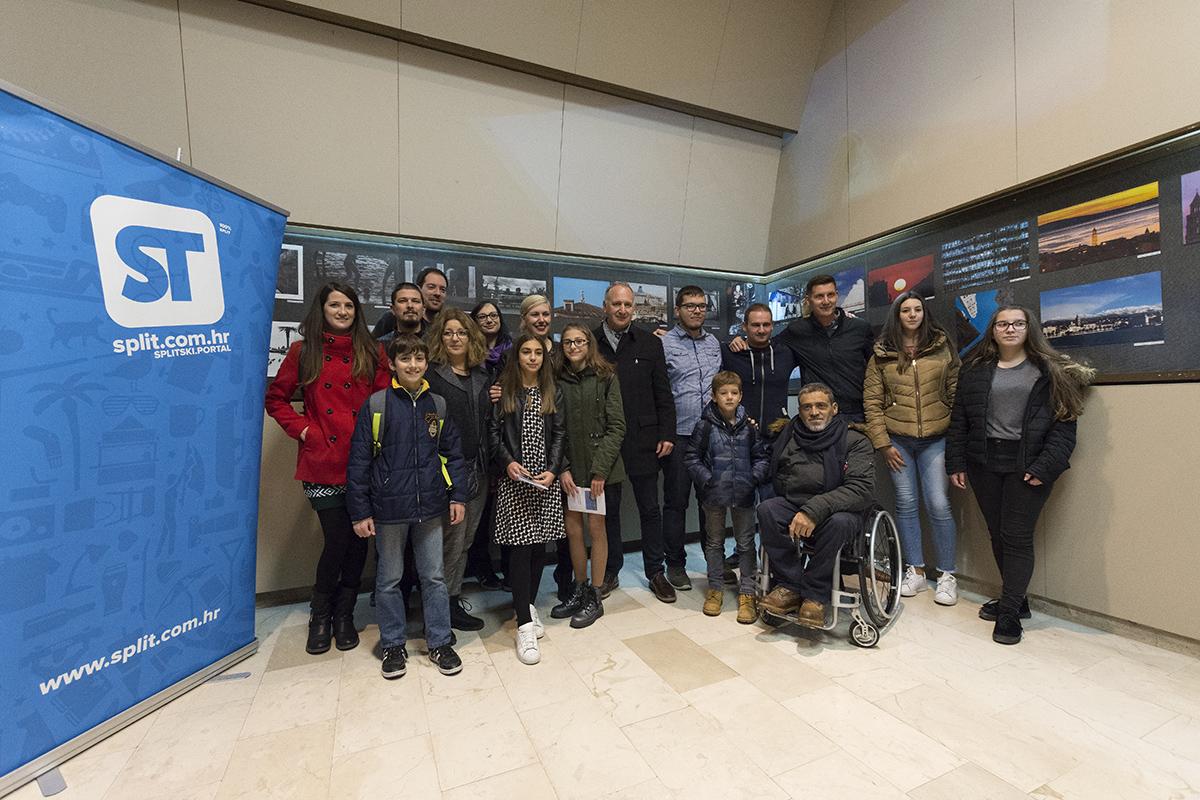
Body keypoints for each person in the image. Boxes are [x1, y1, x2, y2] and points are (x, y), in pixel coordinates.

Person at [947, 306, 1093, 645]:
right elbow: (960, 421)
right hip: (984, 462)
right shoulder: (976, 371)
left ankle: (1010, 613)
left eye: (1017, 323)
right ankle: (1017, 599)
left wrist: (1045, 467)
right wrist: (955, 463)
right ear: (993, 331)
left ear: (1029, 328)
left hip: (1028, 464)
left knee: (1016, 536)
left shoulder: (1051, 370)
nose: (1010, 329)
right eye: (1002, 324)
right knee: (997, 534)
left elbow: (1065, 426)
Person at [265, 282, 391, 655]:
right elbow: (276, 398)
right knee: (337, 541)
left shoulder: (373, 351)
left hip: (365, 462)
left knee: (358, 546)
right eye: (334, 305)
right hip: (323, 462)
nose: (342, 311)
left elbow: (384, 403)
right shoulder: (304, 352)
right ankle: (320, 616)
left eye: (349, 305)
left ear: (357, 311)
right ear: (321, 310)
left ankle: (344, 615)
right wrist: (305, 429)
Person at [346, 334, 468, 678]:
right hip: (387, 510)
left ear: (426, 363)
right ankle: (393, 645)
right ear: (392, 364)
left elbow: (452, 455)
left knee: (434, 577)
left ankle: (440, 642)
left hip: (430, 507)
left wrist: (457, 496)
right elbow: (358, 464)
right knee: (389, 580)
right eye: (405, 359)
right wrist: (360, 512)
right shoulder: (376, 406)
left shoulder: (438, 406)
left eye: (419, 359)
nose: (412, 365)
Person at [863, 291, 961, 605]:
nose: (913, 314)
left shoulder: (942, 347)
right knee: (906, 503)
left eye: (918, 309)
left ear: (924, 313)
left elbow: (955, 390)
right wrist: (883, 444)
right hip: (898, 442)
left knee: (938, 503)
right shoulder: (881, 354)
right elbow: (872, 404)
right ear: (897, 315)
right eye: (906, 310)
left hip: (936, 438)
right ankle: (916, 571)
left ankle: (947, 575)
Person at [757, 383, 874, 627]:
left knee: (839, 523)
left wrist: (813, 510)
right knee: (767, 510)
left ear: (834, 408)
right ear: (799, 411)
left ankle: (814, 594)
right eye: (807, 407)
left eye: (821, 406)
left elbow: (860, 489)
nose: (814, 412)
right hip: (794, 505)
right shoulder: (788, 436)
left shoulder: (855, 441)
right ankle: (790, 585)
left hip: (839, 509)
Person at [594, 282, 677, 603]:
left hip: (645, 438)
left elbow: (663, 393)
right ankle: (610, 570)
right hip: (606, 443)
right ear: (605, 306)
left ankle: (656, 571)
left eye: (628, 305)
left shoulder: (648, 343)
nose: (622, 310)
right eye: (616, 304)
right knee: (609, 509)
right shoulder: (591, 342)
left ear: (634, 308)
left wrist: (667, 433)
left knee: (650, 508)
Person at [487, 332, 567, 665]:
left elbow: (560, 433)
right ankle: (523, 625)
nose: (533, 357)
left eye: (538, 352)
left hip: (543, 481)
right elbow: (491, 433)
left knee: (538, 548)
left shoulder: (553, 391)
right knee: (519, 550)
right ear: (516, 355)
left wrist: (552, 469)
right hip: (515, 479)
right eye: (526, 352)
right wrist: (507, 462)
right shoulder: (504, 390)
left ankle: (529, 607)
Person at [551, 324, 626, 628]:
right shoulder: (555, 379)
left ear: (589, 343)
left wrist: (600, 471)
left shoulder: (606, 377)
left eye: (579, 341)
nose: (573, 346)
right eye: (567, 342)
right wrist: (563, 467)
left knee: (597, 529)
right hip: (570, 471)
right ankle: (579, 589)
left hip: (599, 471)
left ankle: (595, 595)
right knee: (573, 530)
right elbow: (554, 429)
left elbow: (617, 426)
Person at [425, 308, 493, 631]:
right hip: (447, 472)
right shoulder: (432, 376)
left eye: (462, 332)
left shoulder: (483, 377)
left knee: (465, 541)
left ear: (471, 337)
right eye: (449, 332)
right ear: (440, 337)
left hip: (479, 471)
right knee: (448, 543)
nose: (455, 338)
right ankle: (439, 609)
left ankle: (452, 600)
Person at [684, 371, 769, 623]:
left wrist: (753, 478)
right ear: (713, 396)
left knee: (745, 544)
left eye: (734, 393)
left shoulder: (749, 427)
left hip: (744, 494)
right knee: (714, 543)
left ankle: (747, 592)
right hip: (713, 495)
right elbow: (691, 458)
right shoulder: (704, 426)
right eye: (723, 393)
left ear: (741, 396)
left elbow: (761, 457)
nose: (729, 397)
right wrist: (707, 480)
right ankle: (715, 589)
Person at [734, 275, 873, 422]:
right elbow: (765, 342)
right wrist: (741, 339)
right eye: (819, 296)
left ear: (837, 296)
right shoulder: (798, 330)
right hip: (818, 414)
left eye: (830, 295)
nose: (826, 301)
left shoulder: (860, 328)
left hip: (858, 414)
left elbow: (875, 371)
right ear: (808, 300)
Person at [659, 286, 722, 592]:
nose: (697, 311)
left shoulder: (714, 344)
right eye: (690, 306)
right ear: (677, 310)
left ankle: (715, 566)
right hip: (680, 437)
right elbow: (658, 390)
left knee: (711, 503)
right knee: (675, 503)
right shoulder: (664, 343)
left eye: (701, 305)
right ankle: (675, 564)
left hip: (712, 436)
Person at [721, 303, 797, 441]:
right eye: (755, 325)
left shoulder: (786, 353)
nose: (761, 330)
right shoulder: (730, 353)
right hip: (740, 435)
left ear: (772, 324)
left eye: (766, 325)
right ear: (744, 326)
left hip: (778, 436)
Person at [472, 300, 513, 374]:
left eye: (493, 315)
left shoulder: (513, 349)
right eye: (482, 317)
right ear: (475, 322)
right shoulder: (469, 352)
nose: (489, 320)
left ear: (500, 318)